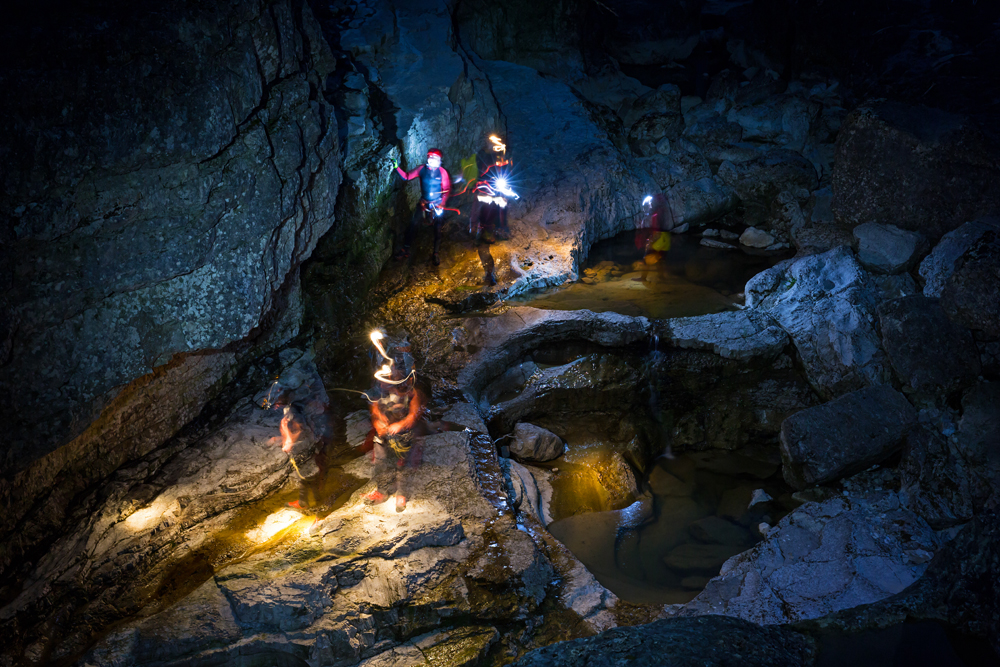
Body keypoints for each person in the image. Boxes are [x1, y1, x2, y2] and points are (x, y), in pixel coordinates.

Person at [263, 365, 332, 510]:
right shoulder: (290, 408)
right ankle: (303, 501)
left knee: (310, 476)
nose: (275, 401)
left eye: (278, 397)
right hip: (301, 447)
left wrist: (289, 441)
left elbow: (301, 429)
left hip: (304, 447)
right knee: (303, 475)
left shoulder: (294, 409)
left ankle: (320, 506)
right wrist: (280, 439)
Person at [394, 148, 452, 265]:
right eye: (430, 157)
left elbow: (446, 189)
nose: (432, 160)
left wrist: (442, 203)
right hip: (424, 203)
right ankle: (406, 249)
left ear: (440, 160)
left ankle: (435, 253)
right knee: (414, 224)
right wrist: (396, 167)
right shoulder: (422, 169)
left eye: (435, 158)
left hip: (437, 204)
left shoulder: (442, 172)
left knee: (437, 228)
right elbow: (406, 176)